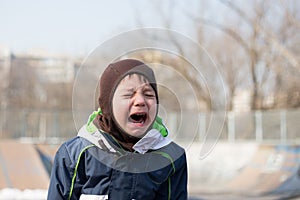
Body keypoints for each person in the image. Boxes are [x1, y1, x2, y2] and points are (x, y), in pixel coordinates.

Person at [47, 59, 188, 200]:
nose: (140, 101)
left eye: (149, 95)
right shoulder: (75, 155)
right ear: (107, 106)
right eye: (128, 94)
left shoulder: (171, 159)